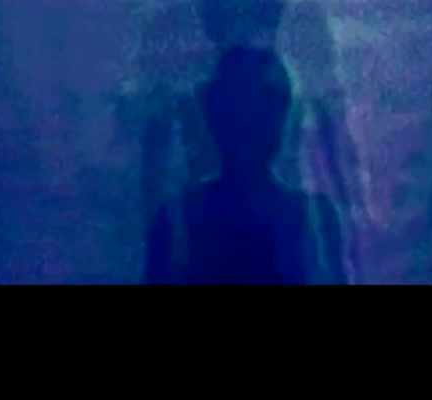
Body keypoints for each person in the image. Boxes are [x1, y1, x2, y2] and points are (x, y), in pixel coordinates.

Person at [143, 46, 346, 284]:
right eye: (241, 109)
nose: (250, 125)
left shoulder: (313, 218)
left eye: (266, 107)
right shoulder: (177, 222)